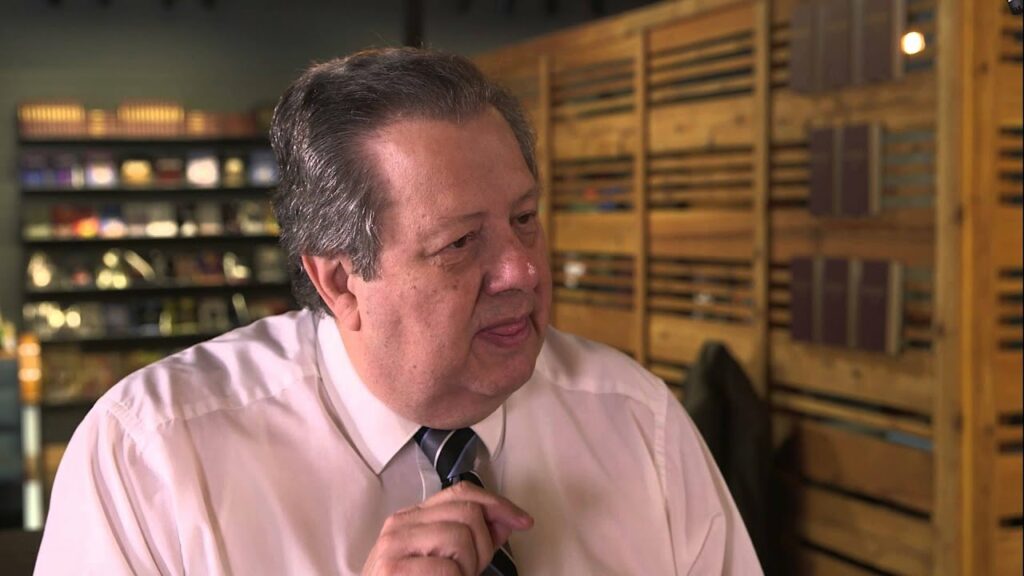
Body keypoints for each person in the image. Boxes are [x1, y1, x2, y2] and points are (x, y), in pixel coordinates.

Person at [34, 48, 762, 575]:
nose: (523, 270)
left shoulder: (638, 423)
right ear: (339, 282)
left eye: (525, 218)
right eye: (459, 243)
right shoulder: (153, 458)